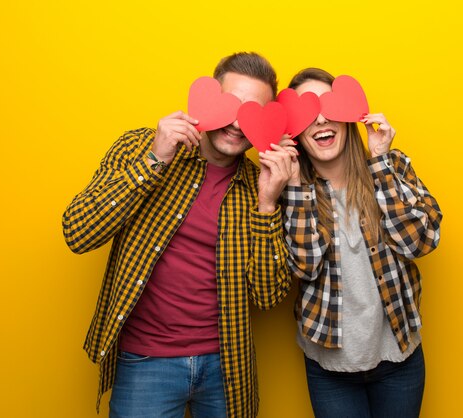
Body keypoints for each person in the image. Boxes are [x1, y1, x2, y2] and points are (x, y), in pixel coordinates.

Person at [62, 52, 295, 418]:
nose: (237, 123)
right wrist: (154, 162)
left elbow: (268, 297)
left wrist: (268, 204)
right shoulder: (141, 147)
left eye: (251, 113)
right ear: (207, 99)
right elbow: (78, 232)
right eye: (230, 104)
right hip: (145, 361)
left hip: (226, 367)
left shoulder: (259, 185)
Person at [281, 68, 442, 418]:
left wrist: (381, 161)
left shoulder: (392, 165)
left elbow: (421, 242)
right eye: (307, 112)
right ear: (294, 131)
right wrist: (294, 186)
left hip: (400, 357)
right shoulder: (290, 192)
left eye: (327, 105)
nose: (321, 117)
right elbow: (304, 266)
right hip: (330, 367)